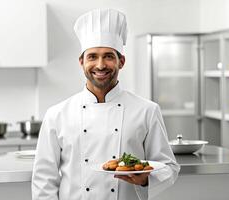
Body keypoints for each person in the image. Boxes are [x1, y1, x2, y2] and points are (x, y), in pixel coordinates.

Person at [32, 8, 180, 200]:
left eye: (109, 56)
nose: (100, 65)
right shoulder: (57, 114)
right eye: (92, 56)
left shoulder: (147, 111)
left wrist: (146, 179)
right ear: (81, 62)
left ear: (121, 62)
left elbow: (168, 167)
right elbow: (44, 179)